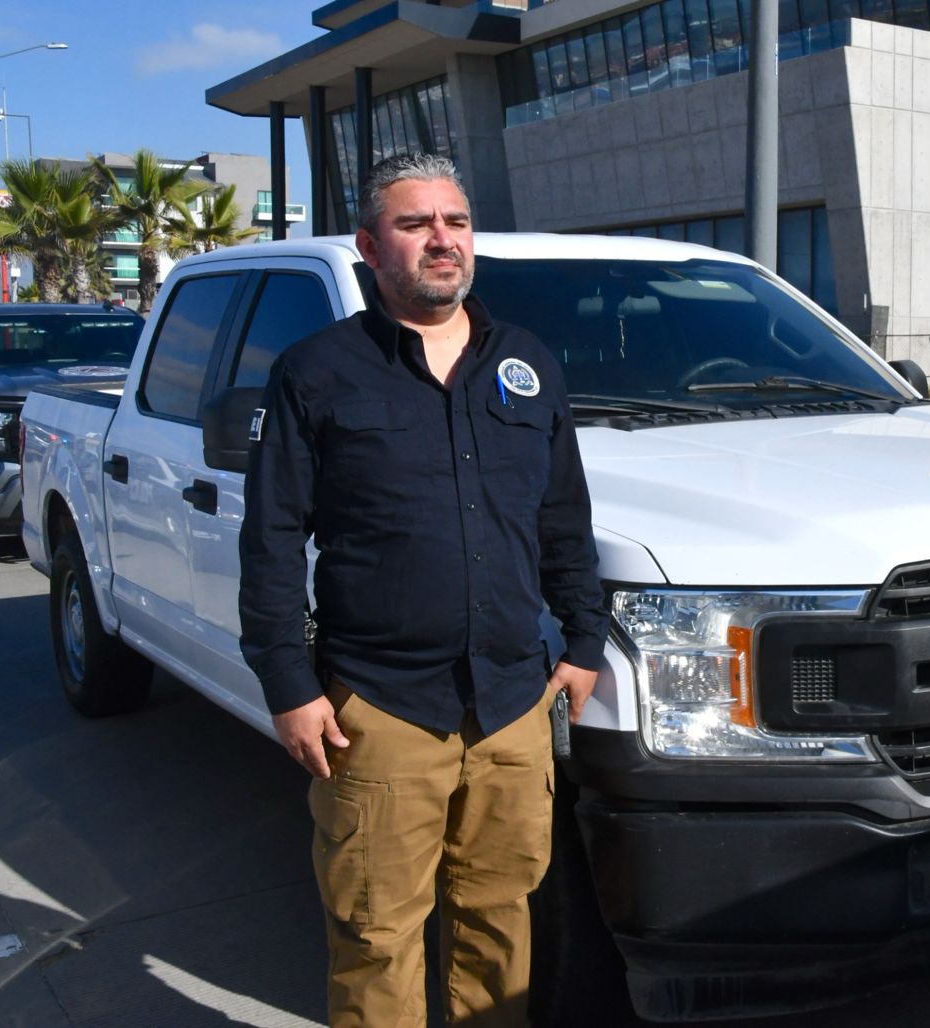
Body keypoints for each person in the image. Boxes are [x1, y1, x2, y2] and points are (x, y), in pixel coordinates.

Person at [238, 152, 608, 1025]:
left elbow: (563, 517)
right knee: (376, 937)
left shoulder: (525, 363)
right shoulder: (316, 371)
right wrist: (288, 685)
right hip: (381, 708)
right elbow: (273, 540)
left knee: (500, 922)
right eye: (416, 224)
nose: (443, 239)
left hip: (513, 703)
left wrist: (584, 640)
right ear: (370, 246)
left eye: (456, 221)